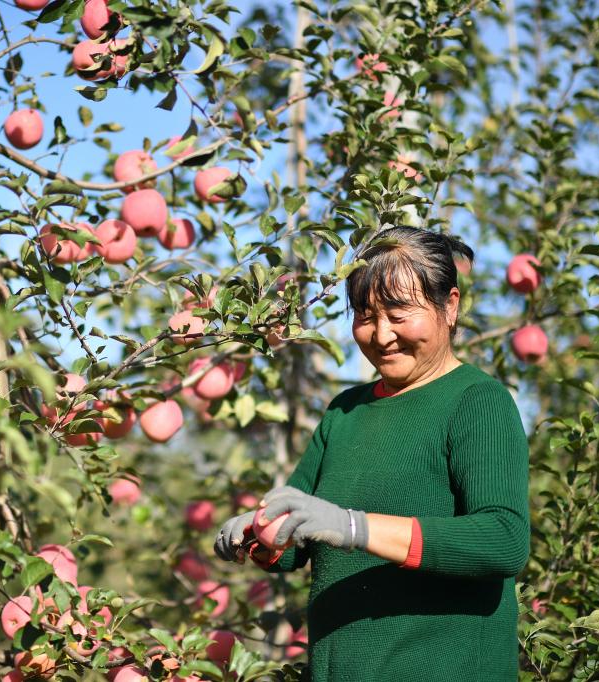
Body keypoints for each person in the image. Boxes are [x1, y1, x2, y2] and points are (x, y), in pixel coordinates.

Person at [214, 227, 531, 681]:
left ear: (450, 306)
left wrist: (353, 528)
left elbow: (503, 540)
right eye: (365, 315)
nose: (381, 335)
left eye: (399, 314)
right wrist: (259, 532)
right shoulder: (344, 412)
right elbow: (294, 545)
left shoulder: (476, 401)